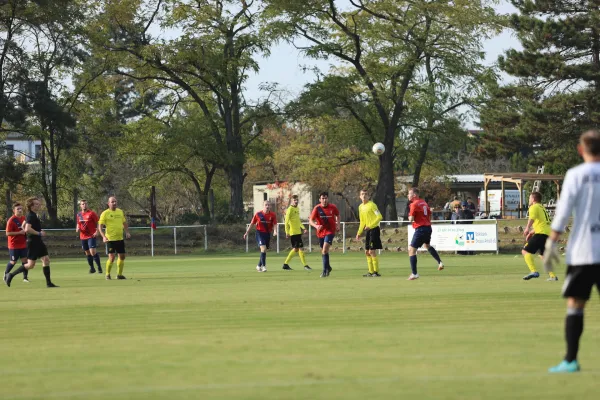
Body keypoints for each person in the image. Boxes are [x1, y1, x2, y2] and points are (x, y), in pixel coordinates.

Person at [543, 129, 600, 373]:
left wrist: (551, 241)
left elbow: (564, 210)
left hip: (584, 251)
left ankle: (570, 360)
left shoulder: (576, 174)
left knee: (576, 305)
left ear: (580, 149)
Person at [5, 197, 58, 288]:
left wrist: (38, 230)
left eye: (38, 203)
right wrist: (39, 233)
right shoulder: (31, 215)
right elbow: (27, 229)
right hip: (33, 242)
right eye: (36, 204)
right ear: (32, 206)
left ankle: (49, 283)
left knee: (46, 260)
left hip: (38, 242)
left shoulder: (32, 215)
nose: (39, 205)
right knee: (30, 265)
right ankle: (11, 275)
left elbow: (23, 225)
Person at [407, 187, 444, 280]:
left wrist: (410, 218)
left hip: (421, 229)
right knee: (427, 246)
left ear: (414, 195)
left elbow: (411, 219)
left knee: (411, 250)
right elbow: (429, 214)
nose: (408, 195)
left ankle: (414, 273)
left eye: (409, 193)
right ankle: (440, 262)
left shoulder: (413, 204)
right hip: (428, 227)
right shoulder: (424, 202)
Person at [522, 192, 558, 281]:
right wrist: (531, 232)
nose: (529, 200)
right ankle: (553, 276)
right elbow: (543, 223)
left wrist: (527, 228)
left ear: (533, 199)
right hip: (547, 233)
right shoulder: (542, 208)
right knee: (543, 255)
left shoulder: (533, 207)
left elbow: (532, 219)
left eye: (530, 198)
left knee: (525, 251)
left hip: (541, 233)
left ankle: (533, 271)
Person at [98, 196, 131, 280]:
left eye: (115, 201)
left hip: (120, 238)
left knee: (122, 257)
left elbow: (124, 222)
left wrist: (127, 232)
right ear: (108, 203)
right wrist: (103, 237)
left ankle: (119, 275)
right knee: (112, 258)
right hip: (110, 239)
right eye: (112, 202)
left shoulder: (120, 212)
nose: (114, 203)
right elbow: (100, 227)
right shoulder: (105, 213)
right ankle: (107, 274)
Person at [309, 192, 340, 278]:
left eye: (326, 198)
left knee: (324, 250)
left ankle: (324, 271)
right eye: (322, 198)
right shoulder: (317, 208)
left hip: (330, 231)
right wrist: (316, 226)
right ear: (320, 200)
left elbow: (337, 215)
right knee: (324, 251)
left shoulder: (333, 207)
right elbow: (311, 220)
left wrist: (338, 224)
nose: (324, 200)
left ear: (328, 199)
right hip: (320, 232)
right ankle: (328, 267)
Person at [243, 200, 277, 272]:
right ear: (263, 206)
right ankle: (263, 266)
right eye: (266, 205)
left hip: (267, 234)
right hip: (259, 233)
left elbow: (275, 224)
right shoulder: (258, 214)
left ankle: (258, 266)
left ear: (270, 206)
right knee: (263, 248)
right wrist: (246, 233)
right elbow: (252, 224)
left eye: (268, 205)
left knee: (264, 250)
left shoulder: (273, 215)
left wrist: (275, 231)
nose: (267, 206)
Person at [355, 189, 383, 277]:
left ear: (368, 196)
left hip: (374, 229)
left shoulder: (372, 205)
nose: (364, 196)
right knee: (367, 252)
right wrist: (359, 232)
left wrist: (370, 225)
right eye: (362, 194)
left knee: (371, 251)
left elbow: (379, 217)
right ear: (360, 196)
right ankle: (370, 272)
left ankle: (376, 272)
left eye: (366, 194)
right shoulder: (360, 207)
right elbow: (362, 221)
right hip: (368, 230)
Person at [282, 195, 310, 271]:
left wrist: (303, 228)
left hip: (298, 232)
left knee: (296, 249)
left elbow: (298, 221)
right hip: (293, 233)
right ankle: (305, 265)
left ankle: (285, 264)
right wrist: (287, 232)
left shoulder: (297, 208)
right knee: (300, 248)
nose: (296, 201)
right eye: (294, 200)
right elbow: (286, 221)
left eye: (297, 200)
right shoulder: (290, 209)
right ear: (292, 201)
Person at [4, 203, 30, 284]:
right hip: (14, 245)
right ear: (14, 210)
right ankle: (5, 274)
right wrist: (19, 233)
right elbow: (7, 233)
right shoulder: (11, 220)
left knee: (25, 261)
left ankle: (25, 278)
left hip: (23, 244)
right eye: (18, 209)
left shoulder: (23, 218)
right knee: (13, 261)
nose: (20, 210)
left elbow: (25, 230)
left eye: (21, 209)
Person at [76, 199, 102, 274]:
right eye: (83, 204)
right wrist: (77, 227)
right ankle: (92, 268)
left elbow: (98, 222)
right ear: (80, 206)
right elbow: (78, 223)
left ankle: (99, 267)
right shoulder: (79, 214)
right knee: (87, 253)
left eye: (85, 204)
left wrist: (97, 231)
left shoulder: (92, 213)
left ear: (87, 205)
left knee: (92, 252)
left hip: (91, 235)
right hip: (83, 236)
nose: (84, 205)